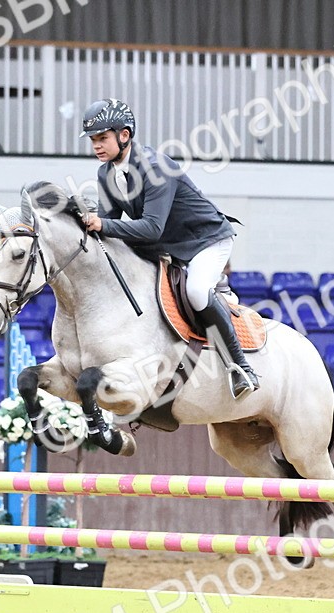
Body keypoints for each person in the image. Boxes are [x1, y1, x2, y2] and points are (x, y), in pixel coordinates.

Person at [76, 99, 257, 400]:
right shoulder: (106, 174)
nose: (97, 145)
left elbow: (151, 227)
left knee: (198, 291)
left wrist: (102, 225)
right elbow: (107, 223)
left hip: (205, 240)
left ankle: (240, 367)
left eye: (102, 138)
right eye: (94, 140)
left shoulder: (156, 167)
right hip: (168, 246)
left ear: (124, 135)